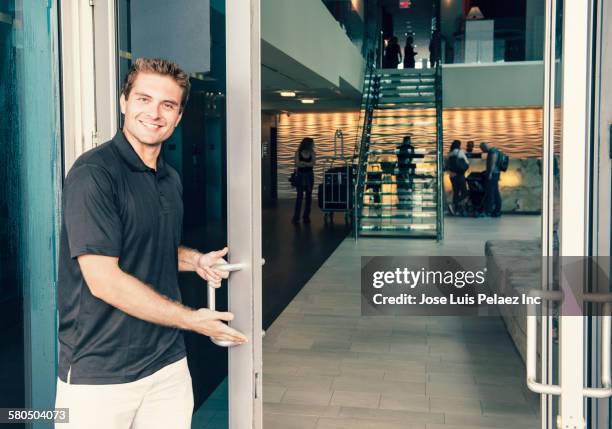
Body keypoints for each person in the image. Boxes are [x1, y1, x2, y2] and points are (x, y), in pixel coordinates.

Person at [55, 58, 248, 429]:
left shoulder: (169, 178)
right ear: (124, 102)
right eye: (144, 99)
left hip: (166, 366)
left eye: (168, 105)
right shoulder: (94, 175)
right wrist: (193, 320)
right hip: (101, 376)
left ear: (178, 117)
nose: (155, 113)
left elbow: (152, 247)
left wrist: (196, 260)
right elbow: (104, 280)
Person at [292, 137, 316, 224]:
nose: (314, 145)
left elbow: (313, 163)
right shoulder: (298, 153)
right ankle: (296, 217)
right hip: (301, 176)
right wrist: (307, 164)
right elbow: (297, 164)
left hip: (309, 176)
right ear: (308, 144)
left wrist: (304, 163)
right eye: (312, 143)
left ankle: (306, 217)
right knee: (299, 197)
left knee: (308, 197)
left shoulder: (312, 153)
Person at [445, 140, 469, 215]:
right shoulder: (460, 152)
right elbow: (467, 163)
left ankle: (455, 208)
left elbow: (446, 166)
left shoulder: (449, 154)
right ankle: (456, 206)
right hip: (460, 175)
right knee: (464, 192)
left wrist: (451, 172)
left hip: (452, 176)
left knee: (456, 192)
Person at [480, 141, 502, 217]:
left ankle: (489, 211)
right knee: (495, 193)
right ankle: (497, 211)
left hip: (493, 174)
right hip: (496, 174)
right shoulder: (494, 150)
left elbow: (492, 162)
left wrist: (489, 173)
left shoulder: (492, 151)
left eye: (482, 149)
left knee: (491, 193)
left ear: (485, 147)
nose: (482, 151)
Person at [397, 136, 416, 206]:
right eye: (408, 141)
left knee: (407, 182)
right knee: (405, 182)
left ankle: (406, 197)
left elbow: (412, 157)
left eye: (409, 141)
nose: (409, 142)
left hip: (406, 167)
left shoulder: (401, 148)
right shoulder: (401, 148)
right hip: (404, 167)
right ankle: (406, 197)